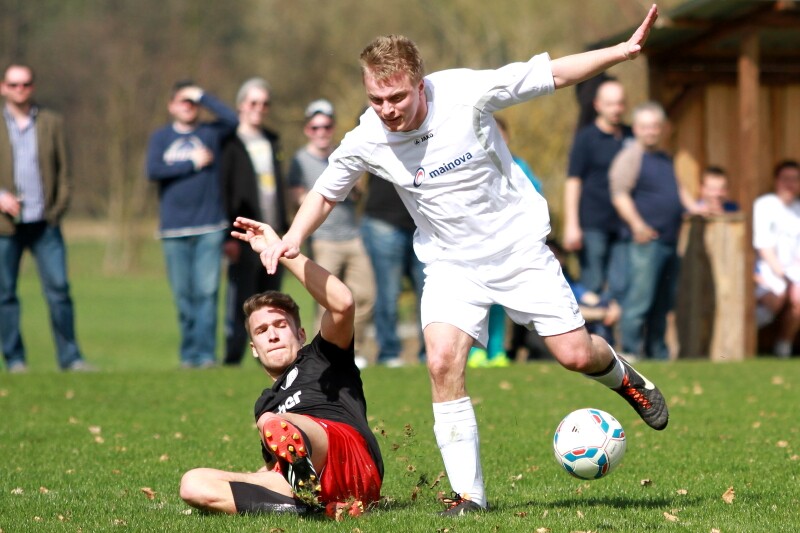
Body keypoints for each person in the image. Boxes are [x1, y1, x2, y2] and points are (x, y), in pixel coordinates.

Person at [263, 6, 668, 516]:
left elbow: (552, 74)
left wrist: (621, 52)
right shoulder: (368, 136)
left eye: (397, 97)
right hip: (451, 264)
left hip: (517, 249)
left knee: (574, 355)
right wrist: (293, 237)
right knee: (441, 361)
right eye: (376, 99)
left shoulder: (464, 93)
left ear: (421, 85)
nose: (386, 109)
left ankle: (625, 377)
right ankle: (469, 497)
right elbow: (326, 191)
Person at [179, 217, 383, 517]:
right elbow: (277, 464)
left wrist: (280, 249)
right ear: (254, 348)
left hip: (351, 461)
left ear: (300, 334)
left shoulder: (323, 355)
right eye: (262, 331)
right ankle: (318, 510)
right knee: (193, 483)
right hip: (311, 481)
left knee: (276, 423)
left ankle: (307, 489)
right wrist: (250, 480)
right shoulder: (265, 403)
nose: (272, 335)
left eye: (280, 325)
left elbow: (343, 304)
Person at [0, 63, 92, 373]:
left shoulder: (51, 123)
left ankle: (71, 358)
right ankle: (15, 360)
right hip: (5, 226)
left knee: (59, 291)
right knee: (5, 294)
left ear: (33, 87)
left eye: (25, 84)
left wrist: (56, 211)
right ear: (3, 88)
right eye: (14, 84)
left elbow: (65, 172)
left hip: (45, 223)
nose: (20, 90)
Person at [146, 80, 238, 368]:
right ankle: (189, 355)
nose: (188, 106)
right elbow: (154, 170)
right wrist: (192, 162)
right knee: (183, 296)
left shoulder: (210, 133)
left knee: (207, 293)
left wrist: (202, 94)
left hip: (210, 226)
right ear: (171, 106)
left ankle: (206, 356)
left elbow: (233, 120)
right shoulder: (161, 138)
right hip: (173, 230)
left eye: (192, 102)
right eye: (182, 101)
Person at [288, 99, 374, 364]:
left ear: (333, 127)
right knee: (327, 303)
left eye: (326, 126)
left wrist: (353, 186)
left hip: (352, 236)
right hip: (323, 239)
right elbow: (296, 197)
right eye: (316, 127)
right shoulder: (300, 160)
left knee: (366, 296)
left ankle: (353, 351)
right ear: (307, 129)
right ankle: (321, 359)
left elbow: (358, 193)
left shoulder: (343, 153)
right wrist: (325, 192)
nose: (321, 132)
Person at [610, 102, 698, 360]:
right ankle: (629, 351)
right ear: (636, 128)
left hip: (669, 241)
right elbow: (619, 194)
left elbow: (678, 191)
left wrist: (697, 207)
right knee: (639, 300)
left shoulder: (664, 157)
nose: (650, 131)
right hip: (645, 242)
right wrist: (638, 225)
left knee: (662, 303)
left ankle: (657, 353)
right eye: (645, 126)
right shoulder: (630, 157)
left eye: (655, 126)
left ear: (663, 129)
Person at [220, 78, 289, 366]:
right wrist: (228, 235)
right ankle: (233, 357)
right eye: (253, 102)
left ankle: (271, 358)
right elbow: (224, 191)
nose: (259, 108)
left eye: (264, 103)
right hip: (243, 236)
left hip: (272, 234)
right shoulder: (230, 143)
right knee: (241, 298)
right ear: (241, 106)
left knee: (271, 298)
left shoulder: (271, 141)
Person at [562, 78, 632, 345]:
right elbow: (573, 181)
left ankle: (614, 344)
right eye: (610, 104)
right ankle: (591, 343)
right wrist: (571, 224)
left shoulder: (630, 136)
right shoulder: (586, 138)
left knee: (621, 284)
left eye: (620, 103)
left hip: (623, 225)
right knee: (591, 286)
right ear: (598, 105)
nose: (616, 109)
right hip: (592, 224)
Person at [361, 172, 425, 367]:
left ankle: (431, 351)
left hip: (425, 223)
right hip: (384, 220)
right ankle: (389, 353)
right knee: (388, 293)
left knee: (429, 293)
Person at [753, 160, 800, 358]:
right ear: (776, 181)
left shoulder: (798, 209)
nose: (790, 184)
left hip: (793, 270)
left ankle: (784, 346)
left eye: (795, 179)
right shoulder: (765, 205)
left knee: (798, 300)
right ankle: (745, 338)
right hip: (766, 268)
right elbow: (763, 245)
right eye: (785, 179)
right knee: (777, 296)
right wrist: (781, 273)